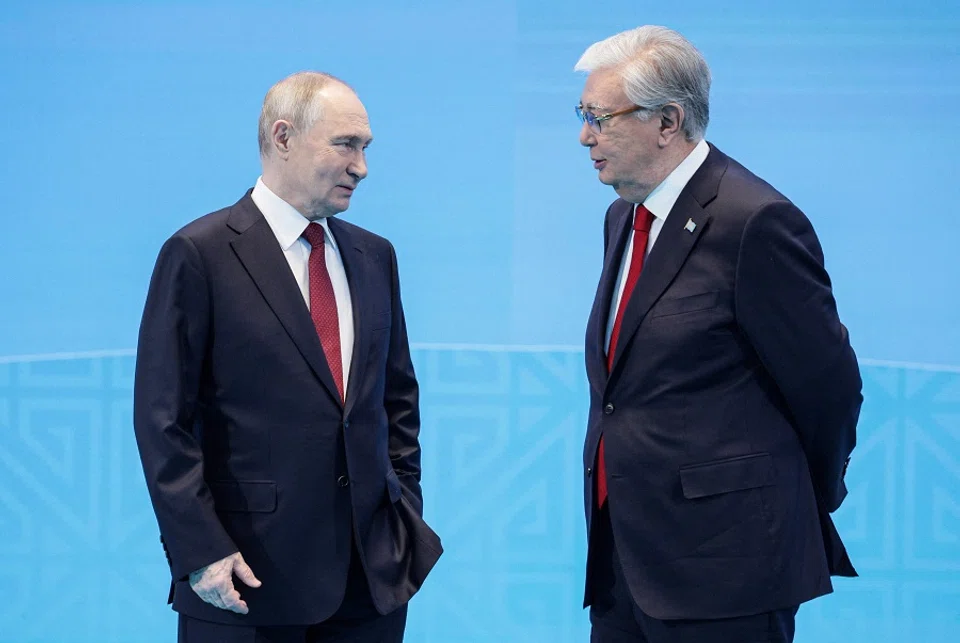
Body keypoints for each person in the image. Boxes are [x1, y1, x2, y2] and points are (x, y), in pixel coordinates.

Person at [574, 26, 861, 643]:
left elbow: (829, 388)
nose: (584, 135)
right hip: (626, 558)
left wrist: (796, 497)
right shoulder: (624, 214)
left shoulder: (755, 222)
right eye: (582, 114)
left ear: (667, 121)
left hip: (729, 566)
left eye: (600, 117)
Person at [133, 71, 441, 643]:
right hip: (243, 582)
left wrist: (403, 515)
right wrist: (201, 551)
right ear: (283, 137)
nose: (362, 167)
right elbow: (162, 421)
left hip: (370, 585)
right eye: (346, 145)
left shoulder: (375, 257)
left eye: (366, 148)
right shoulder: (198, 253)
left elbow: (396, 402)